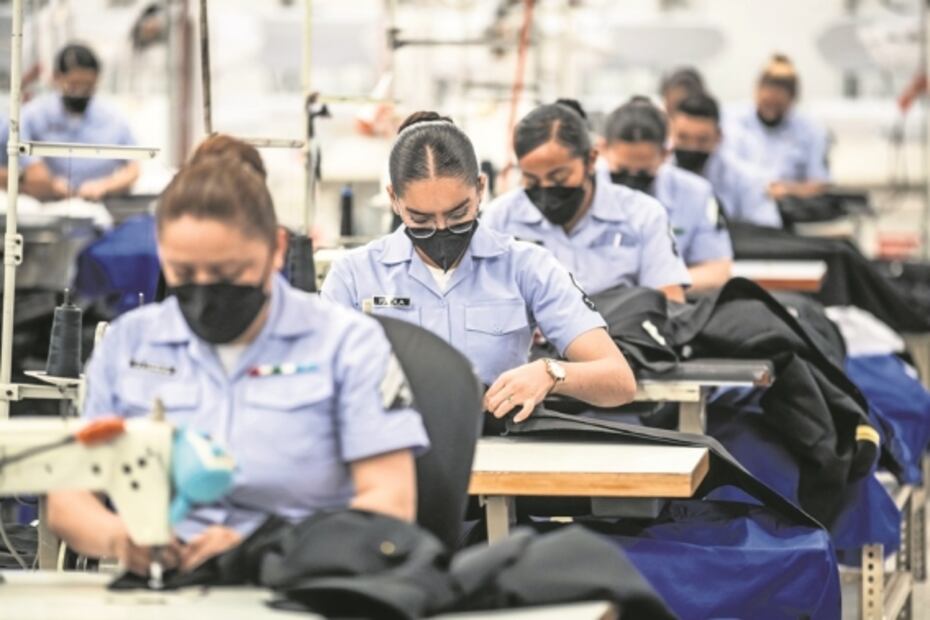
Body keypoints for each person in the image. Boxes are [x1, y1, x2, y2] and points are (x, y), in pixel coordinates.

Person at [48, 138, 429, 577]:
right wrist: (120, 539)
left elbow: (390, 503)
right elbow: (69, 499)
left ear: (277, 249)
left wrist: (258, 550)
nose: (206, 289)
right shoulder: (130, 345)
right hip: (173, 588)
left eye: (229, 272)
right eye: (184, 273)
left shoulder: (346, 344)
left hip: (302, 583)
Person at [322, 111, 636, 423]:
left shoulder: (526, 267)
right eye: (421, 219)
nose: (442, 230)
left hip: (499, 455)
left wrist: (552, 373)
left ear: (481, 188)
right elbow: (319, 382)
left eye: (458, 214)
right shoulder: (353, 276)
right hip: (391, 453)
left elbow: (618, 381)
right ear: (393, 199)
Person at [482, 100, 690, 302]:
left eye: (559, 178)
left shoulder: (643, 215)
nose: (546, 189)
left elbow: (670, 301)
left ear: (590, 161)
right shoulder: (500, 219)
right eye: (532, 180)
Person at [599, 97, 733, 292]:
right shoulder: (582, 192)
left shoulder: (696, 193)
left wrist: (654, 288)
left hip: (668, 306)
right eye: (621, 171)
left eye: (644, 173)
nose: (632, 181)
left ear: (665, 154)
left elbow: (717, 270)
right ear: (602, 149)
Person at [20, 43, 140, 202]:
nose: (81, 92)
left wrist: (104, 186)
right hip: (46, 205)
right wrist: (49, 184)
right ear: (56, 77)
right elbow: (28, 166)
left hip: (100, 204)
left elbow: (133, 168)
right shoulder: (33, 115)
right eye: (74, 85)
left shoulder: (113, 117)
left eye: (88, 86)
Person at [669, 91, 782, 228]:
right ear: (670, 132)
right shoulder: (655, 174)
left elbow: (768, 230)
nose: (692, 147)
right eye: (683, 138)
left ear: (719, 137)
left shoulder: (746, 180)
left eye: (702, 140)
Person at [724, 54, 830, 200]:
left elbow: (819, 184)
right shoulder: (731, 120)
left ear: (793, 100)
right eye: (766, 104)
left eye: (778, 106)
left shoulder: (812, 129)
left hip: (789, 205)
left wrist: (787, 189)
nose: (771, 112)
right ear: (757, 91)